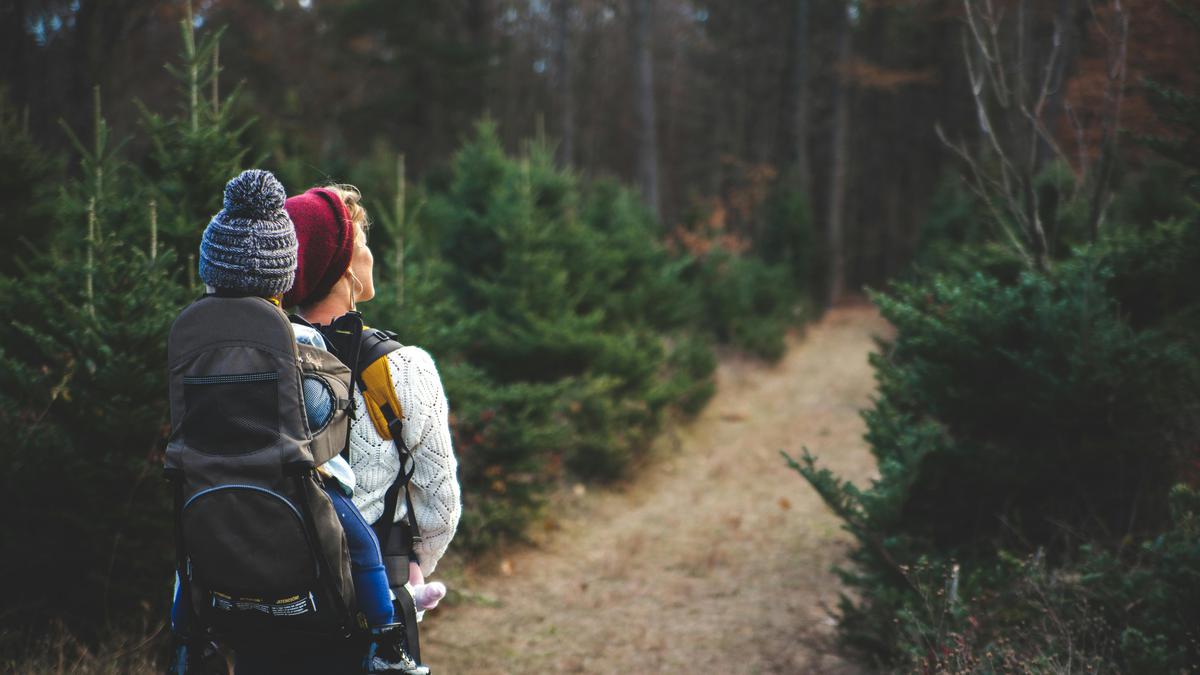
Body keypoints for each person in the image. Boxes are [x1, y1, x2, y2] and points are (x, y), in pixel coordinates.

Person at [170, 169, 450, 675]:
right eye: (363, 241)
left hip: (256, 591)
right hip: (365, 607)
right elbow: (439, 502)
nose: (370, 253)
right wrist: (412, 577)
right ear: (345, 266)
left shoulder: (247, 361)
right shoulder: (401, 367)